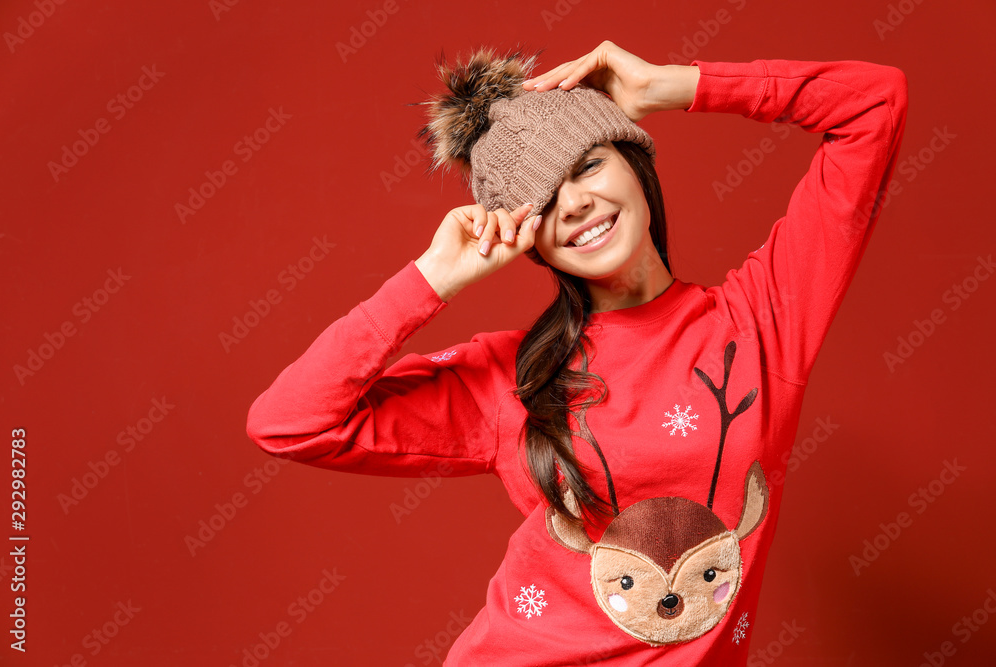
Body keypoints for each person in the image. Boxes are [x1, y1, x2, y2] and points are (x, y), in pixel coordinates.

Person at [247, 41, 908, 665]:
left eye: (588, 165)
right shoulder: (515, 379)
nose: (577, 204)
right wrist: (431, 281)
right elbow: (289, 420)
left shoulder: (762, 320)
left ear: (635, 161)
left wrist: (676, 86)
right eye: (543, 201)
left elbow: (873, 104)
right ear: (529, 239)